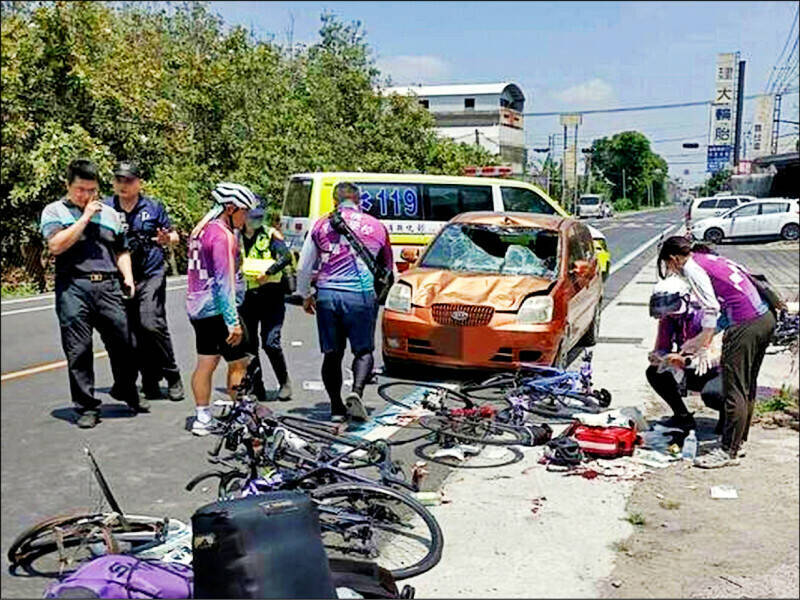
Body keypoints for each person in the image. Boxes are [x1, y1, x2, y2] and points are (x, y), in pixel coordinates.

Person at [40, 158, 147, 429]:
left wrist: (128, 277)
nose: (86, 195)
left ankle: (125, 388)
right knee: (79, 349)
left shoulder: (110, 214)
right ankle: (86, 405)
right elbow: (56, 245)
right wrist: (85, 217)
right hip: (73, 287)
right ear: (68, 185)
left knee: (125, 342)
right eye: (80, 189)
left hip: (109, 285)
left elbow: (121, 249)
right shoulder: (54, 212)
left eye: (91, 190)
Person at [657, 236, 777, 468]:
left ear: (673, 259)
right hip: (764, 317)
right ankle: (737, 443)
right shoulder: (709, 258)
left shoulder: (692, 268)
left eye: (668, 265)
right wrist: (698, 338)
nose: (671, 270)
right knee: (746, 385)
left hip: (746, 324)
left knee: (734, 387)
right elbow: (726, 302)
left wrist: (704, 341)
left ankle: (727, 451)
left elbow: (710, 307)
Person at [296, 182, 393, 423]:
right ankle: (356, 393)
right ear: (359, 201)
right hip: (360, 296)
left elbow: (303, 266)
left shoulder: (321, 224)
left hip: (327, 296)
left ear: (334, 201)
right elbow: (388, 267)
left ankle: (336, 408)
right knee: (364, 351)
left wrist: (305, 294)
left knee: (332, 354)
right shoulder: (377, 226)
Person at [105, 161, 184, 402]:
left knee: (151, 322)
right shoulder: (106, 208)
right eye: (119, 180)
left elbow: (175, 236)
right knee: (130, 331)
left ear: (139, 182)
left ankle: (172, 375)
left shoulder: (153, 207)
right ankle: (149, 379)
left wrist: (166, 239)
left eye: (128, 180)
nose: (123, 185)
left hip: (151, 272)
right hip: (120, 275)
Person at [186, 182, 259, 436]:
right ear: (230, 208)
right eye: (243, 211)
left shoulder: (200, 229)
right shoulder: (222, 236)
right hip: (218, 309)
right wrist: (233, 322)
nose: (245, 217)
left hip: (197, 307)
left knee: (205, 362)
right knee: (239, 364)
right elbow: (223, 281)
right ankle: (240, 416)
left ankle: (202, 417)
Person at [646, 275, 724, 433]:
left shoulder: (705, 315)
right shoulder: (668, 319)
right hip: (688, 368)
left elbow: (716, 356)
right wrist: (658, 357)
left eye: (672, 308)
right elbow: (662, 346)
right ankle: (682, 416)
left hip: (717, 371)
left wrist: (685, 361)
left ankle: (728, 417)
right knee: (654, 373)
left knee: (713, 395)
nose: (670, 314)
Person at [240, 206, 293, 402]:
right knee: (249, 345)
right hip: (246, 297)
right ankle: (257, 386)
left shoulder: (271, 235)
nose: (256, 221)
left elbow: (286, 257)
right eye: (252, 218)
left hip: (271, 295)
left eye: (259, 218)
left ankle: (284, 381)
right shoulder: (235, 236)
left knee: (271, 342)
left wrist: (268, 272)